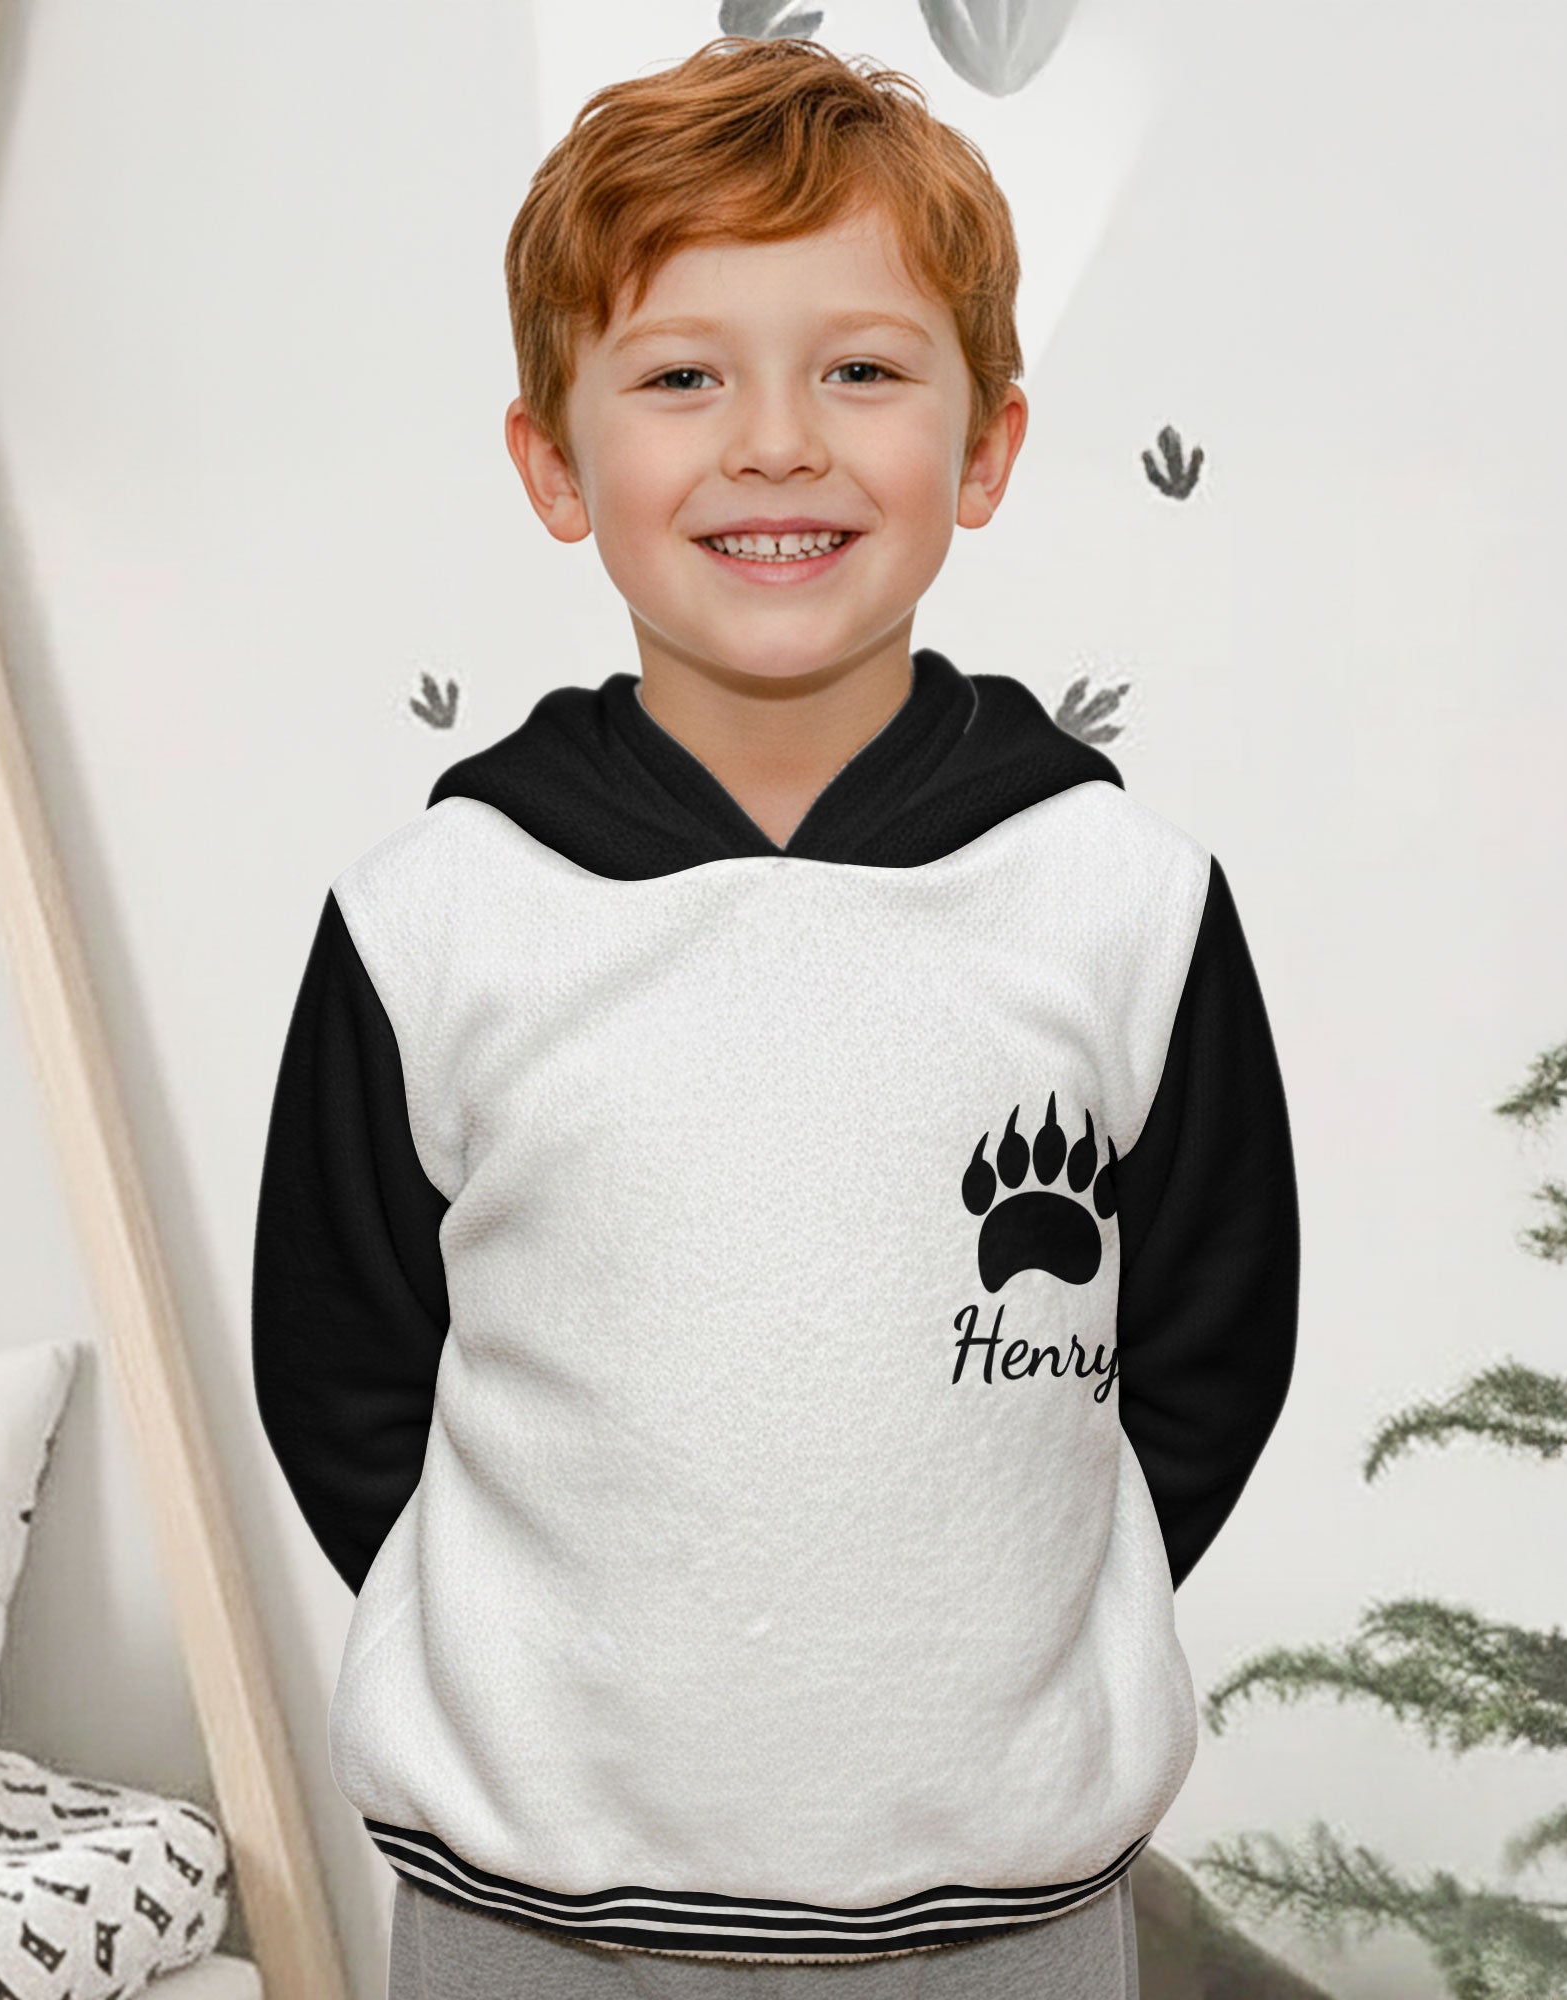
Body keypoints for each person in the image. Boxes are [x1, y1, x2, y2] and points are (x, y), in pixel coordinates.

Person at [251, 34, 1300, 1999]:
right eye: (681, 377)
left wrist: (1013, 1646)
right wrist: (528, 1670)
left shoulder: (1121, 903)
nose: (776, 443)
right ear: (552, 462)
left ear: (985, 446)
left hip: (1005, 1917)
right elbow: (344, 1373)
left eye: (862, 370)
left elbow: (1209, 1351)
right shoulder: (437, 917)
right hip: (525, 1917)